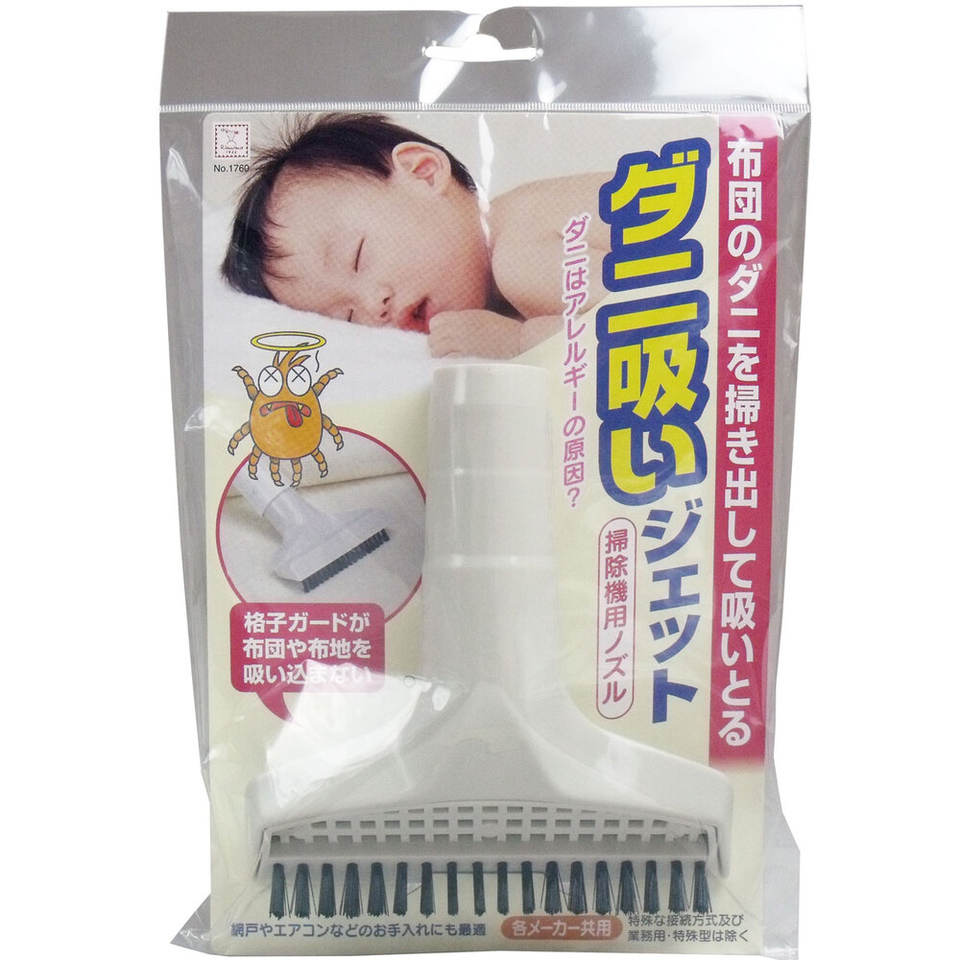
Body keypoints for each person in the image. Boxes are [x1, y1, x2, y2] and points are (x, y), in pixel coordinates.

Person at [222, 113, 610, 358]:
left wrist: (521, 342)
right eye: (348, 317)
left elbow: (640, 326)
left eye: (358, 257)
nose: (374, 307)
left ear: (423, 172)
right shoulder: (504, 281)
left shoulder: (518, 254)